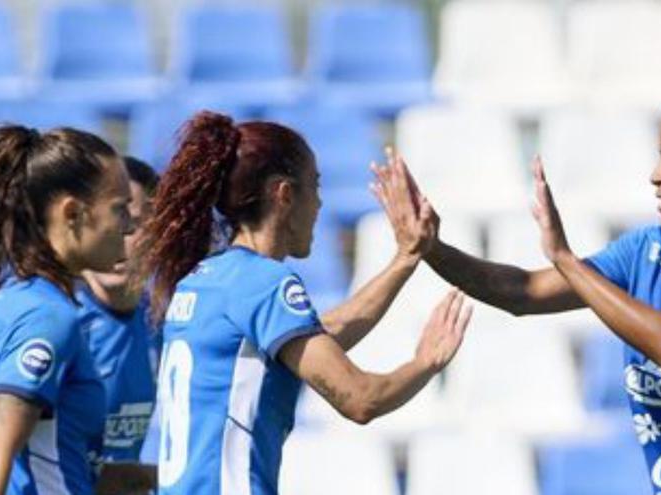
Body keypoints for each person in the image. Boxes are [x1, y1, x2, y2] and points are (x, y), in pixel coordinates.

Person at [375, 86, 661, 494]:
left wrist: (566, 260)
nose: (655, 175)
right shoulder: (646, 250)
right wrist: (431, 249)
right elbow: (523, 292)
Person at [140, 112, 471, 495]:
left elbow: (319, 340)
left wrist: (406, 257)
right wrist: (425, 363)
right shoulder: (264, 283)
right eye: (314, 187)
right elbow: (359, 399)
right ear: (283, 195)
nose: (319, 204)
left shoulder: (205, 281)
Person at [0, 126, 133, 495]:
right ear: (72, 213)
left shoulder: (4, 302)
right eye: (119, 210)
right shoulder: (47, 318)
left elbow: (51, 459)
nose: (130, 226)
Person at [77, 157, 160, 494]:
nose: (119, 237)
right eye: (108, 220)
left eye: (135, 224)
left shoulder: (163, 323)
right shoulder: (55, 323)